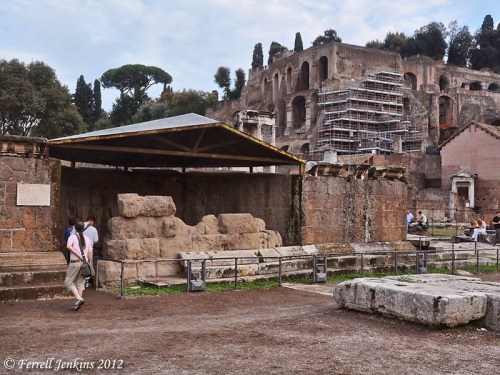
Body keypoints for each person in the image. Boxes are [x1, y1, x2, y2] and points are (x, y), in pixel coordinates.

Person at [64, 222, 92, 311]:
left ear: (75, 228)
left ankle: (79, 299)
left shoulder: (72, 237)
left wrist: (75, 252)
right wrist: (90, 263)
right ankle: (78, 304)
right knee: (80, 283)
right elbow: (90, 252)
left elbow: (68, 246)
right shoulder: (87, 239)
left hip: (75, 263)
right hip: (84, 263)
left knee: (68, 281)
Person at [83, 215, 99, 287]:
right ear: (92, 221)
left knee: (80, 264)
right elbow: (96, 241)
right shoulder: (93, 229)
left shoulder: (80, 226)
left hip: (79, 249)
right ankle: (87, 282)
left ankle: (80, 281)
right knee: (89, 264)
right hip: (89, 249)